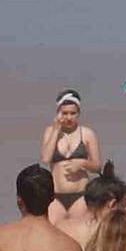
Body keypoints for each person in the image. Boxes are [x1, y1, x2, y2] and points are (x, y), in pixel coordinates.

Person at [39, 91, 103, 224]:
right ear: (58, 113)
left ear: (78, 113)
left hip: (80, 196)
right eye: (64, 113)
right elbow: (45, 158)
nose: (69, 117)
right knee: (52, 233)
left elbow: (97, 167)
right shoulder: (50, 132)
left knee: (80, 236)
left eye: (73, 113)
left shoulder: (87, 134)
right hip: (56, 197)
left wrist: (82, 163)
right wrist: (56, 130)